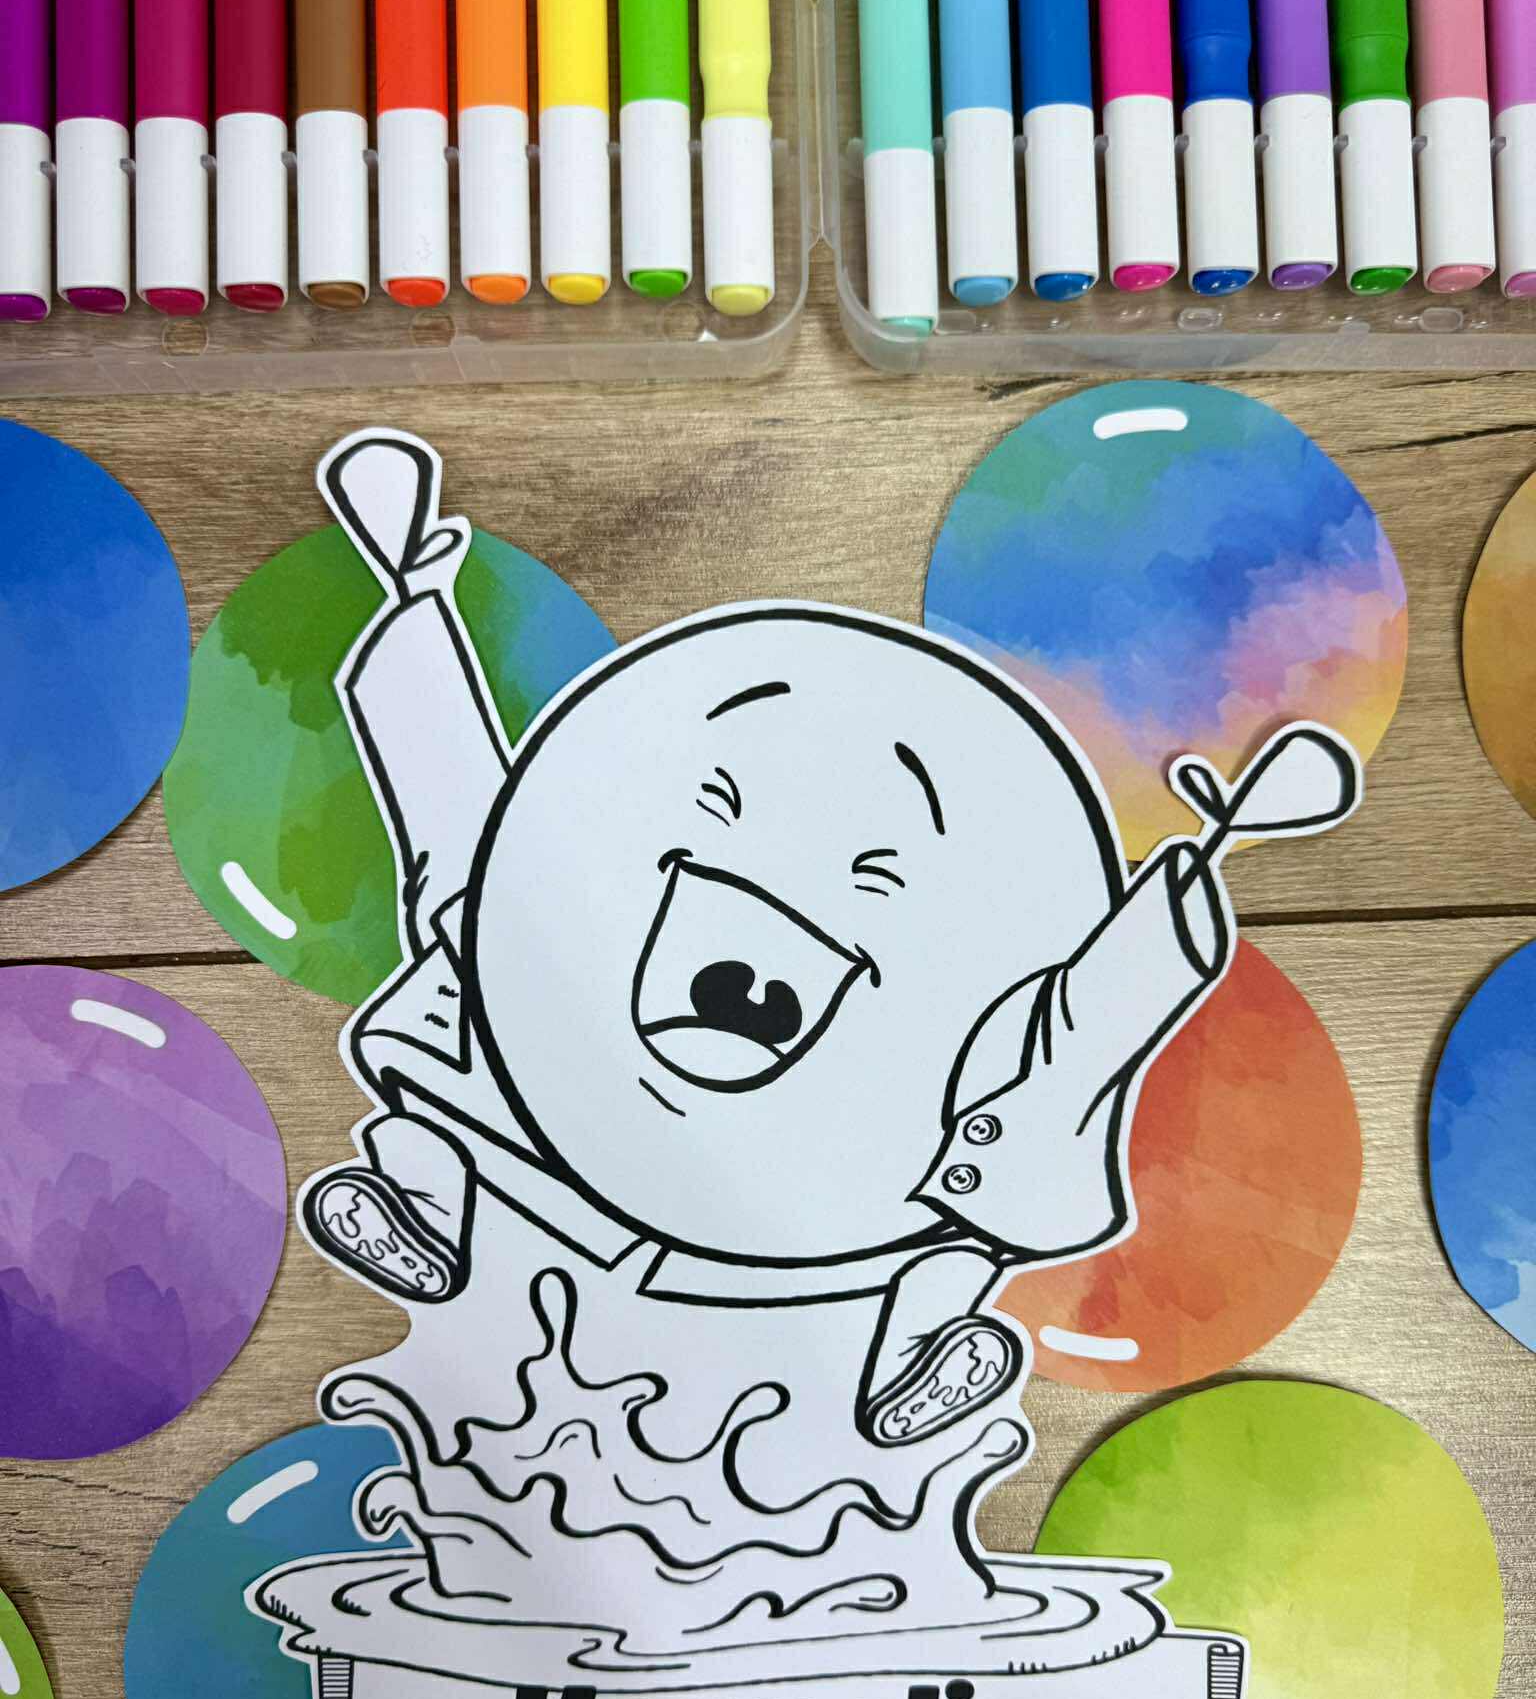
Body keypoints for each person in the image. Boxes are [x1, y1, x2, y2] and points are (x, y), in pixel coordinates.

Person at [302, 429, 1360, 1451]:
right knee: (456, 1058)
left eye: (875, 881)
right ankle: (422, 1198)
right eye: (720, 814)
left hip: (827, 1256)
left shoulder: (967, 1055)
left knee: (982, 1194)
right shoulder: (553, 896)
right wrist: (415, 600)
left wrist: (1198, 863)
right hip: (545, 1148)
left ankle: (917, 1351)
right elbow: (457, 805)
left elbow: (1084, 1009)